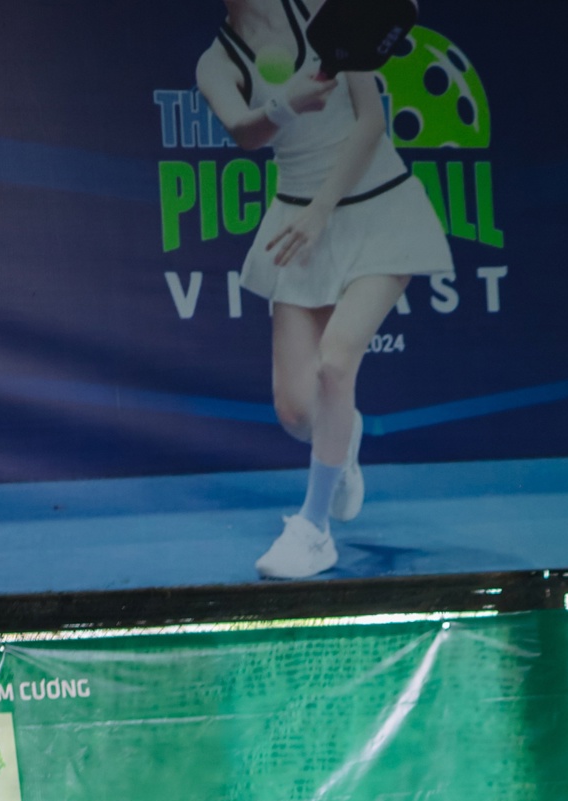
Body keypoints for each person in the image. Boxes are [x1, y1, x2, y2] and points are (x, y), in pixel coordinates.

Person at [197, 1, 453, 581]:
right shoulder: (216, 62)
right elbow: (243, 133)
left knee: (335, 363)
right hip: (297, 225)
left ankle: (313, 530)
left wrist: (321, 210)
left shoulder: (325, 11)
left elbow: (370, 123)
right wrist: (284, 103)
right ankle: (345, 432)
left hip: (379, 208)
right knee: (295, 412)